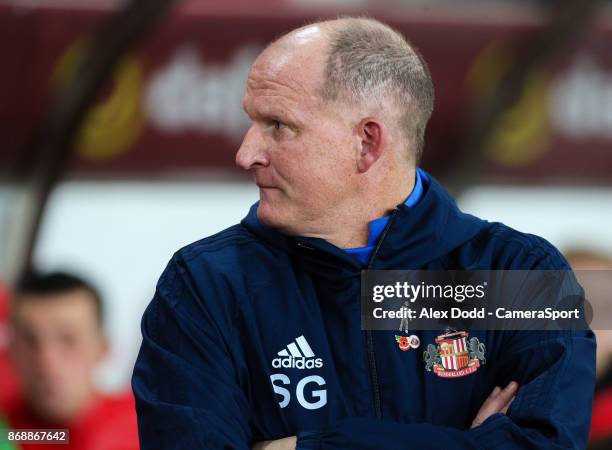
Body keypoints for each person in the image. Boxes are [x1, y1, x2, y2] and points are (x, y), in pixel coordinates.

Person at [132, 17, 596, 449]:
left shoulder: (517, 273)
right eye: (252, 122)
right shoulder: (207, 285)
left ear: (368, 143)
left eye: (278, 126)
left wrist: (308, 446)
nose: (246, 153)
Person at [3, 271, 139, 450]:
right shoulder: (8, 429)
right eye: (30, 340)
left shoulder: (148, 425)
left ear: (102, 349)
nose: (46, 361)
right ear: (10, 350)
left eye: (68, 339)